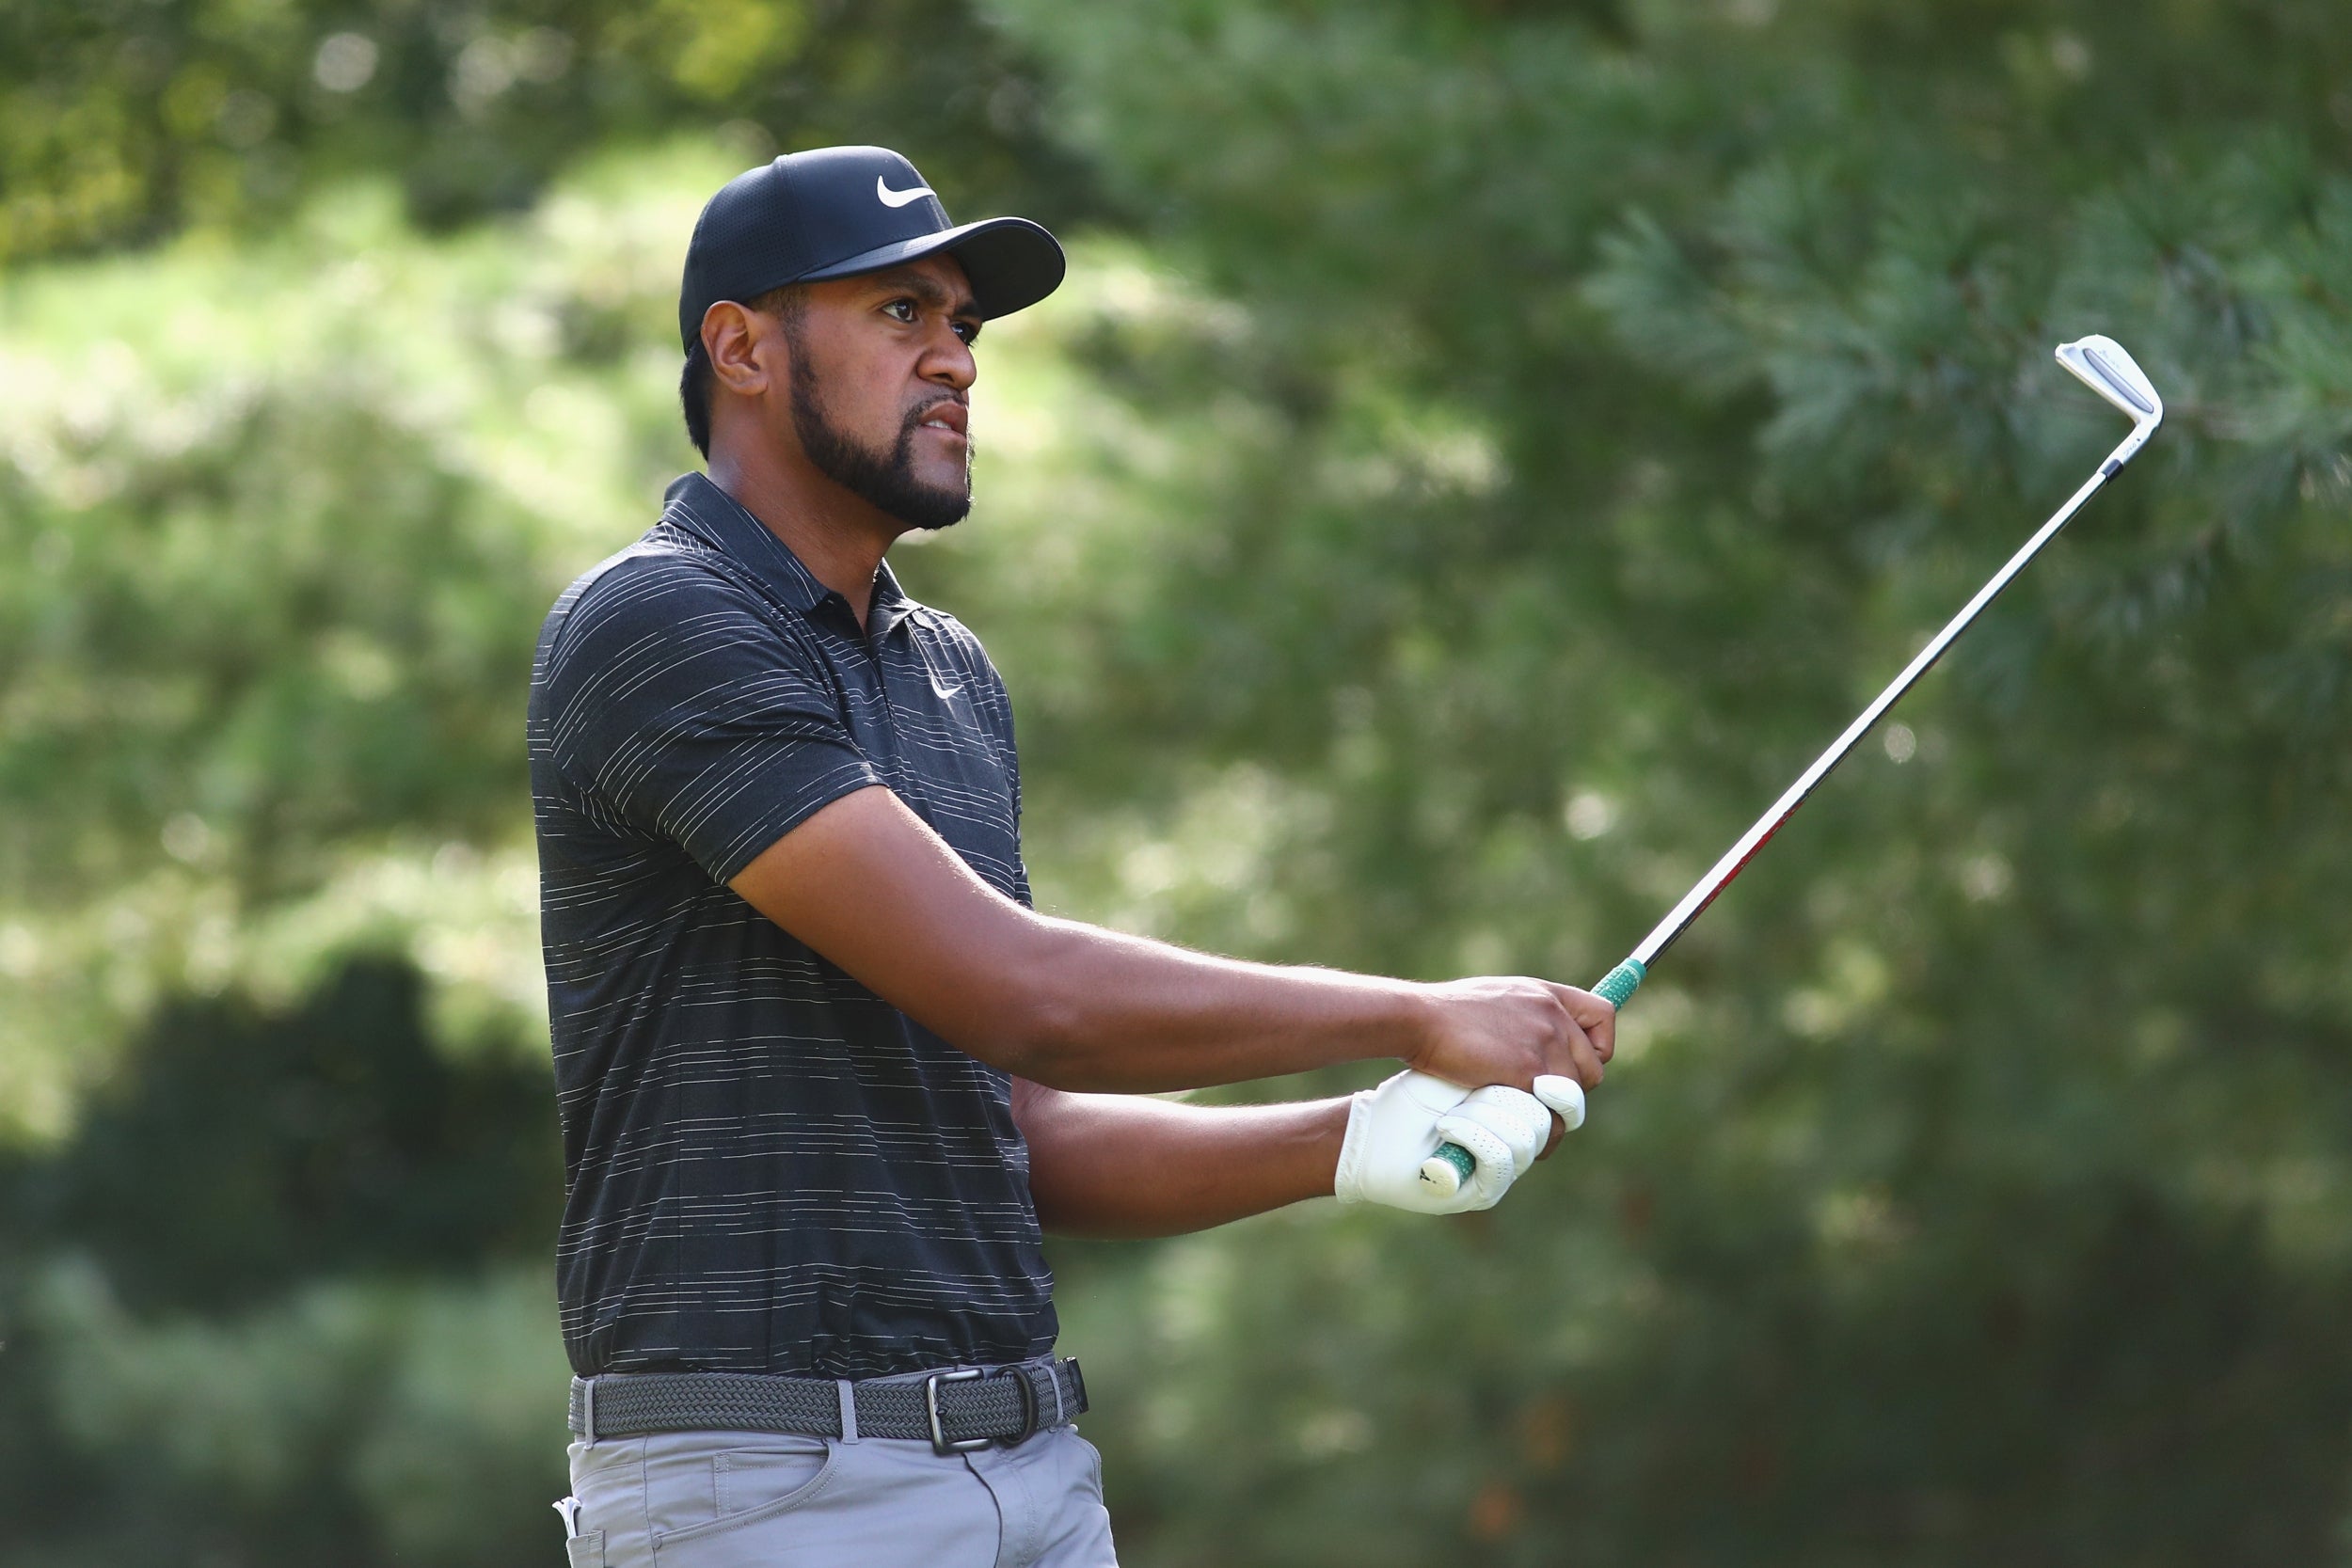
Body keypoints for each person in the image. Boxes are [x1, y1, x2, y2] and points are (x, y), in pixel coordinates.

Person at [530, 145, 1613, 1568]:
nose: (957, 365)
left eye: (964, 327)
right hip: (770, 1494)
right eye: (899, 315)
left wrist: (1350, 1139)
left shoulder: (950, 678)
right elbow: (1026, 993)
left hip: (1034, 1478)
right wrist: (1415, 1012)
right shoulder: (657, 624)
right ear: (740, 346)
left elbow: (1022, 1132)